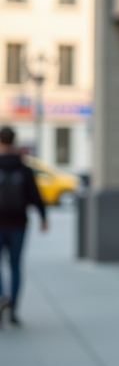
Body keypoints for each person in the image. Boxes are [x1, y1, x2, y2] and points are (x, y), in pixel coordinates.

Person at [0, 126, 47, 326]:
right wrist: (43, 217)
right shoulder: (23, 167)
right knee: (16, 265)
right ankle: (14, 310)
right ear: (14, 141)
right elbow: (34, 194)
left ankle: (2, 296)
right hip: (19, 222)